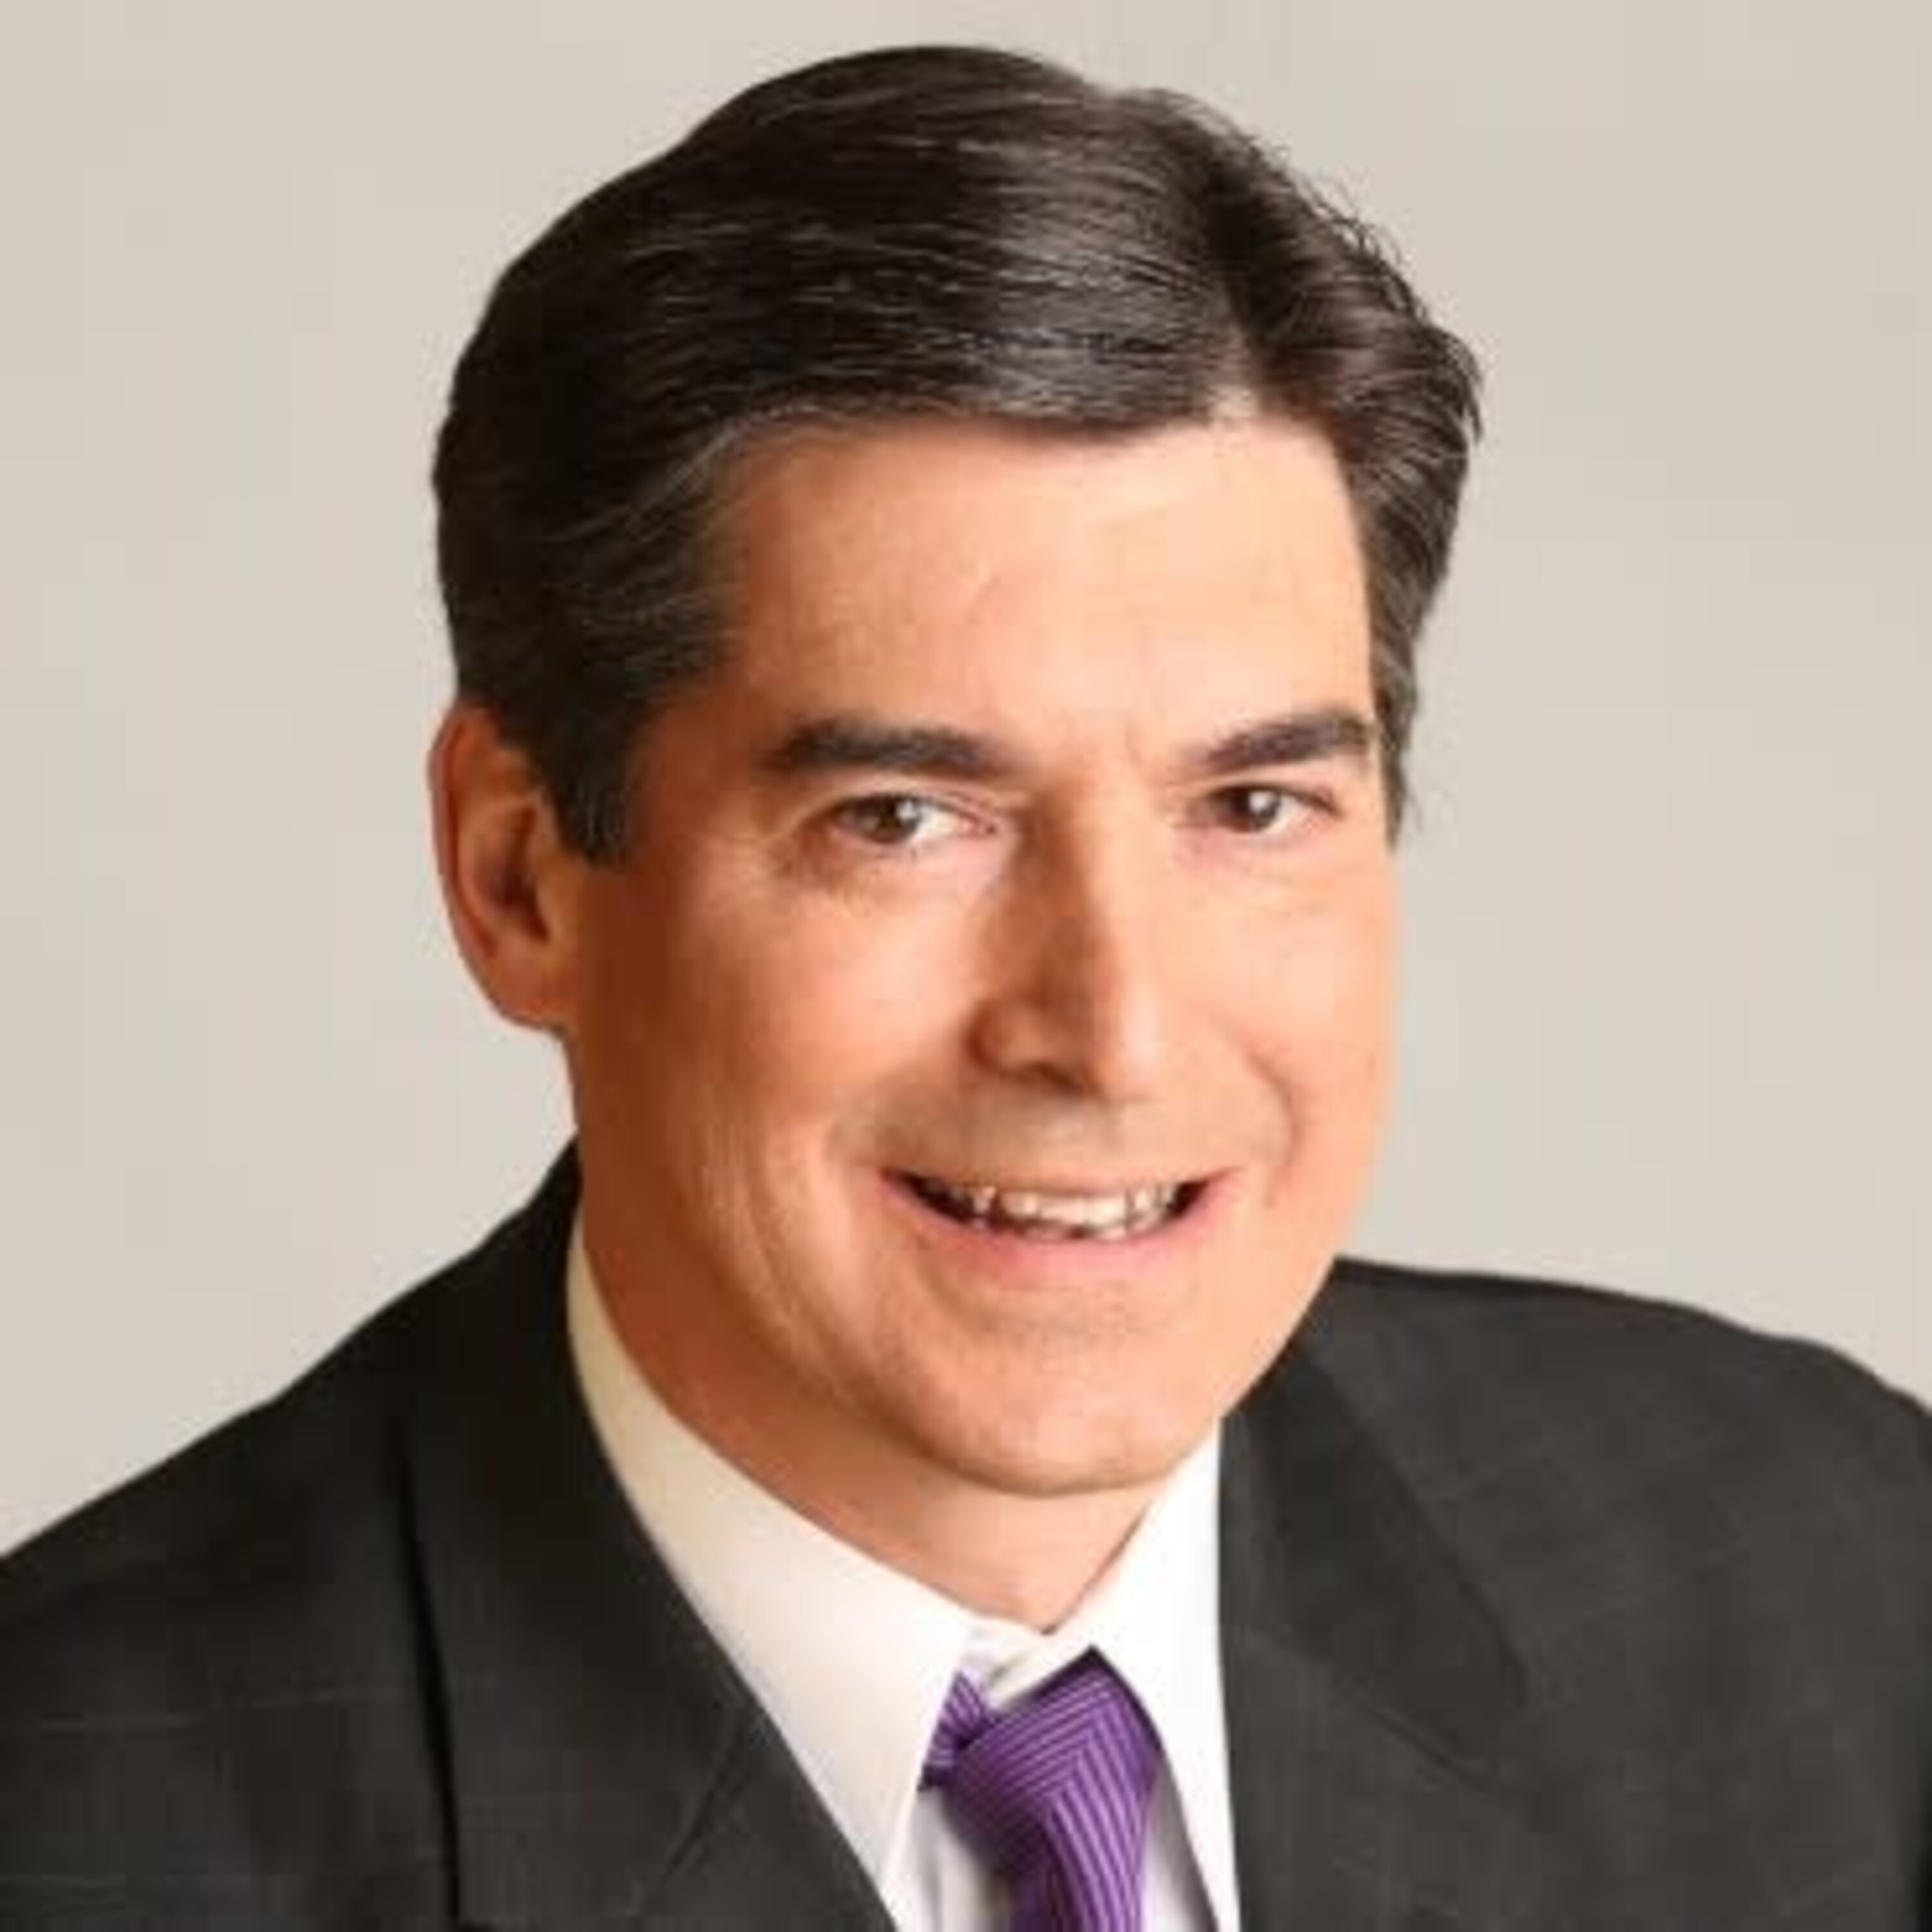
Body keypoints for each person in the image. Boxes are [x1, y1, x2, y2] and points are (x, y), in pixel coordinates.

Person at [2, 43, 1926, 1932]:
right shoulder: (75, 1835)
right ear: (521, 878)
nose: (1116, 1032)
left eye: (1253, 805)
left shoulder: (1830, 1575)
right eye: (905, 819)